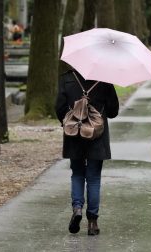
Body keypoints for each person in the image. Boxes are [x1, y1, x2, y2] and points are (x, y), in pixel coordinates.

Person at [55, 69, 119, 235]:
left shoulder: (67, 78)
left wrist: (73, 118)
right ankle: (92, 222)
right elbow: (113, 111)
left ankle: (77, 208)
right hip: (97, 136)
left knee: (77, 174)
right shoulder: (104, 79)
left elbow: (59, 108)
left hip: (74, 134)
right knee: (94, 177)